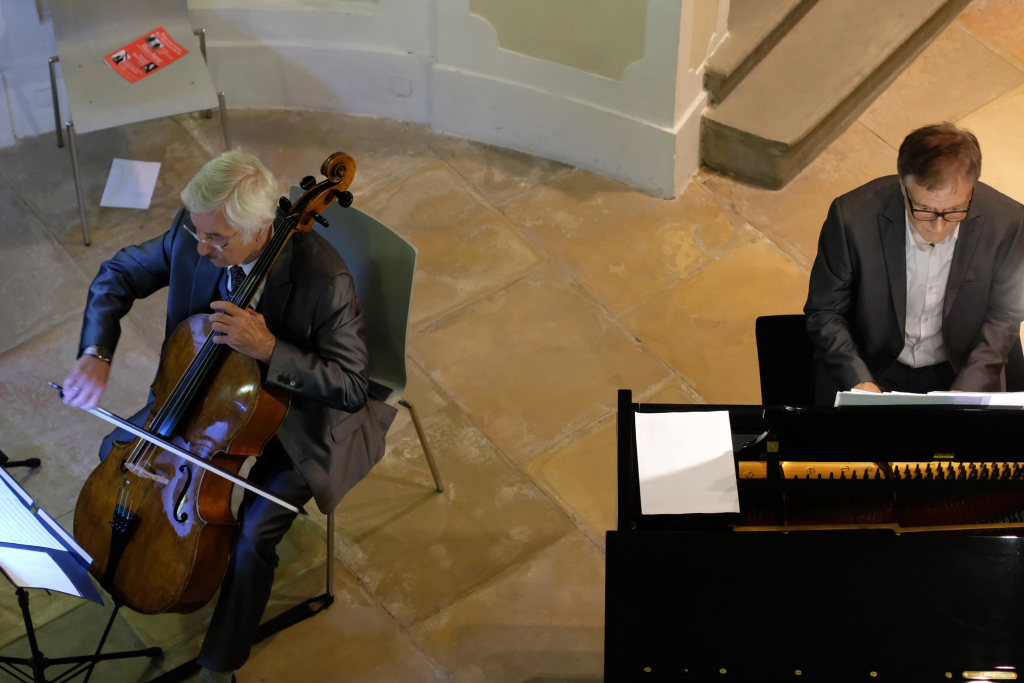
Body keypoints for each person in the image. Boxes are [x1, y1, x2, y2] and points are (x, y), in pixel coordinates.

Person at [61, 150, 395, 683]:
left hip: (299, 419)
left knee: (252, 536)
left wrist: (269, 349)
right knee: (117, 456)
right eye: (199, 233)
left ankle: (220, 665)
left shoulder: (323, 278)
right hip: (204, 396)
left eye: (217, 240)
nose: (201, 247)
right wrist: (95, 353)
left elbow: (353, 387)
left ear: (260, 229)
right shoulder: (196, 231)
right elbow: (119, 273)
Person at [804, 122, 1024, 405]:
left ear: (973, 187)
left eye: (955, 210)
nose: (938, 227)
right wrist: (859, 382)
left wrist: (967, 388)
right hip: (870, 364)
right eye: (924, 210)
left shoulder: (1009, 222)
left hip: (961, 369)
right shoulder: (850, 217)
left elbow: (1005, 315)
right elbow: (824, 311)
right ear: (903, 185)